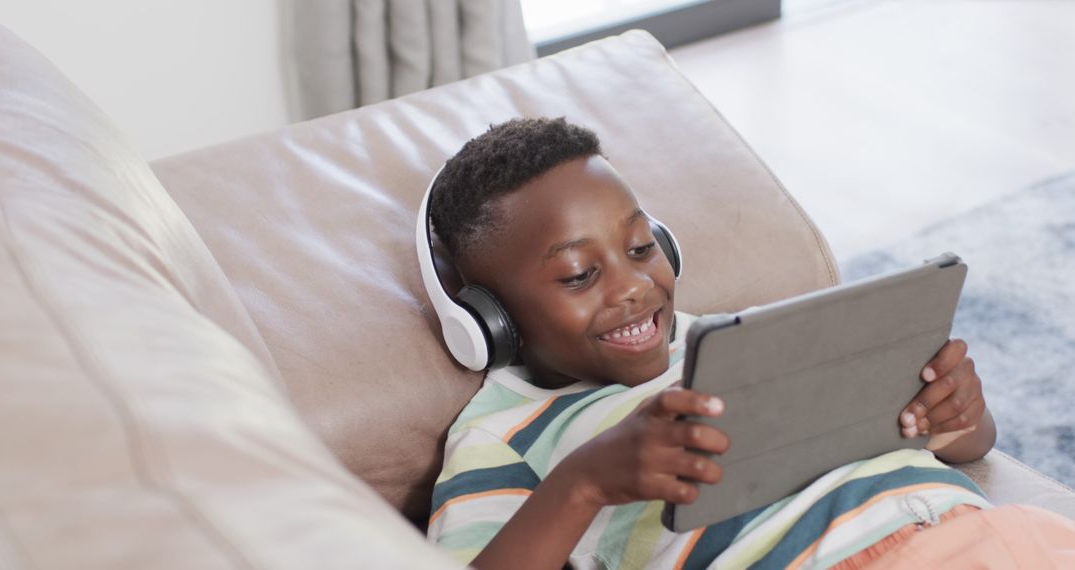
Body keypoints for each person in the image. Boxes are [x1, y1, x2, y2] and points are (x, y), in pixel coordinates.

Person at [424, 117, 1075, 569]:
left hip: (995, 536)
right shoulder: (499, 436)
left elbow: (967, 445)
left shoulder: (753, 339)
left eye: (642, 247)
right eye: (579, 275)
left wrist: (956, 412)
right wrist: (583, 484)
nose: (634, 286)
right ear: (489, 316)